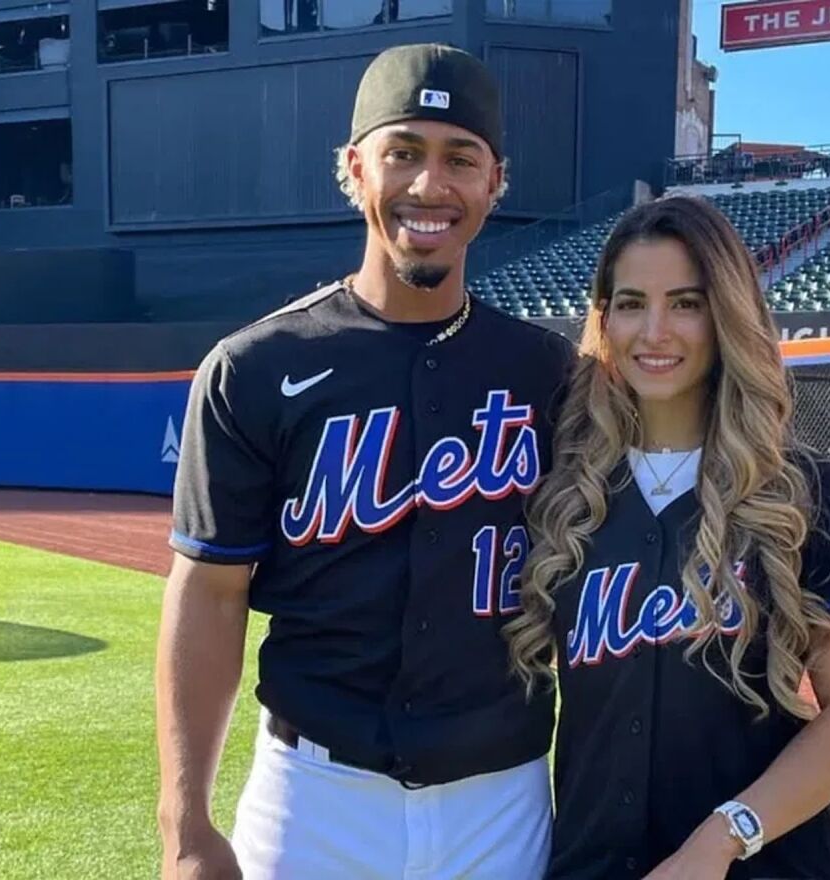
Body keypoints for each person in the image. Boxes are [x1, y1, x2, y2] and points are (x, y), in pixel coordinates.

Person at [156, 44, 572, 879]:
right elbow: (209, 590)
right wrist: (185, 822)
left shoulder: (549, 372)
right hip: (313, 799)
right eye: (403, 152)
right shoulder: (257, 366)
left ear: (496, 182)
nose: (430, 184)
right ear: (353, 169)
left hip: (503, 800)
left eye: (461, 158)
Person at [505, 196, 830, 880]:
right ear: (604, 319)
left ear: (726, 315)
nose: (654, 331)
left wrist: (720, 841)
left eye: (685, 303)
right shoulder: (564, 492)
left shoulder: (802, 490)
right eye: (631, 304)